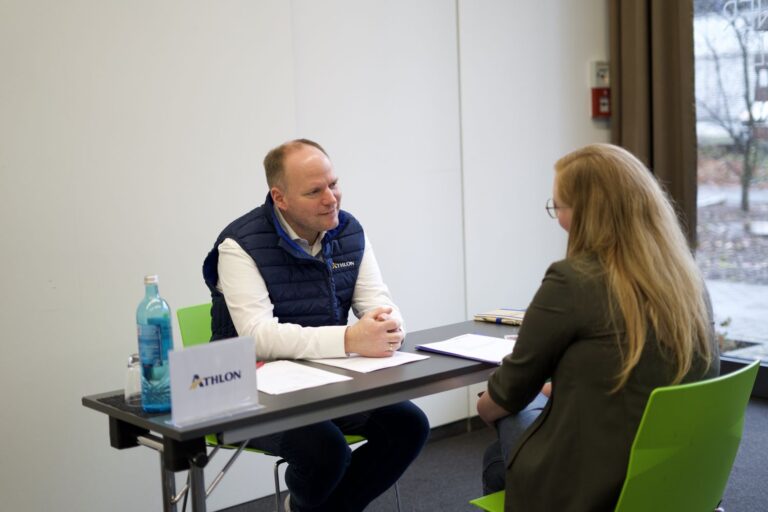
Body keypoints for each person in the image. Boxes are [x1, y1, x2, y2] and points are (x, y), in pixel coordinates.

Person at [476, 143, 719, 511]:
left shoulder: (571, 280)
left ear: (587, 214)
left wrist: (486, 402)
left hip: (596, 487)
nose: (557, 217)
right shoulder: (686, 279)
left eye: (557, 206)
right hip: (676, 475)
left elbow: (505, 395)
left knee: (500, 446)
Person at [203, 138, 429, 512]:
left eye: (334, 183)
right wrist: (351, 338)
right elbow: (258, 337)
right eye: (315, 191)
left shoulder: (349, 231)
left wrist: (388, 324)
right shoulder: (238, 245)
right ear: (280, 198)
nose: (331, 198)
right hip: (242, 390)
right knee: (325, 450)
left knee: (409, 426)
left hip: (321, 382)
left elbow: (378, 301)